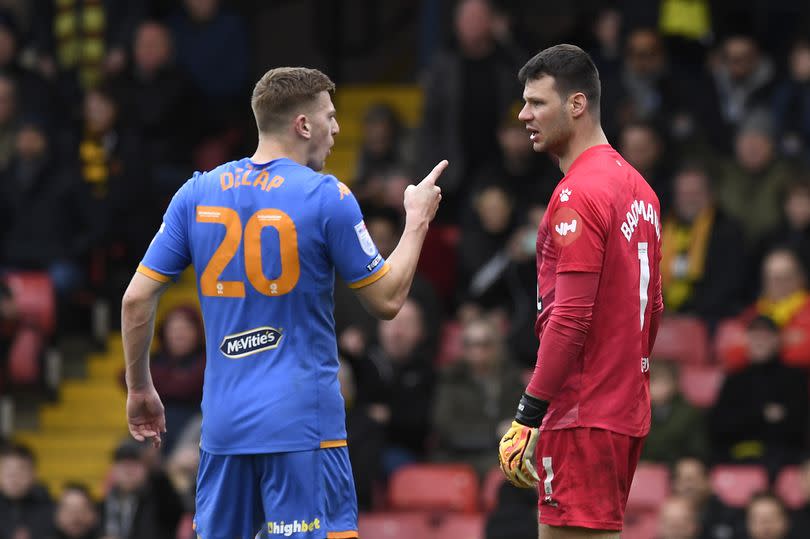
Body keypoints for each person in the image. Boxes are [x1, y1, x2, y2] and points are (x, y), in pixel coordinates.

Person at [120, 67, 446, 539]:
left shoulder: (196, 193)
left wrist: (139, 388)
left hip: (224, 428)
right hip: (303, 427)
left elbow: (135, 300)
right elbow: (388, 299)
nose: (337, 129)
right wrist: (416, 219)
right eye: (330, 117)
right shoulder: (326, 196)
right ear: (303, 125)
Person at [497, 44, 663, 538]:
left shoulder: (579, 194)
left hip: (582, 414)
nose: (524, 115)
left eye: (536, 103)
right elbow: (652, 310)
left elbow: (570, 318)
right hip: (621, 411)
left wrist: (529, 414)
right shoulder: (641, 190)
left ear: (577, 105)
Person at [431, 316, 525, 476]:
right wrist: (494, 432)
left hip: (504, 453)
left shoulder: (512, 379)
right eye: (470, 345)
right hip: (457, 457)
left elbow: (523, 421)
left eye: (485, 344)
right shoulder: (451, 380)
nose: (477, 351)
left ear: (497, 346)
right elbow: (445, 428)